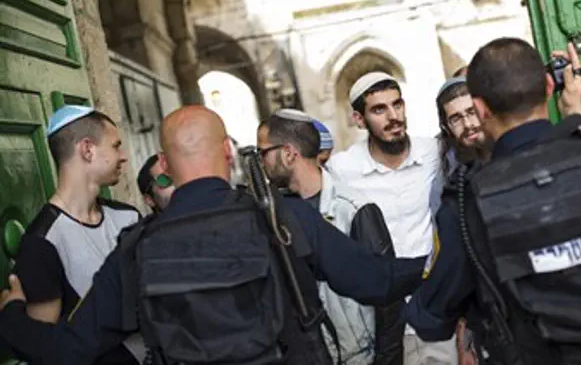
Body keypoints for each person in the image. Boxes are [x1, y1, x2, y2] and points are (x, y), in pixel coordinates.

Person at [0, 105, 426, 365]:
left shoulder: (136, 248)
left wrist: (12, 317)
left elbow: (69, 352)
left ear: (164, 164)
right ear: (227, 150)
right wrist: (436, 267)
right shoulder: (283, 218)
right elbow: (376, 281)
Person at [405, 37, 581, 365]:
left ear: (480, 109)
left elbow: (430, 319)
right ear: (550, 86)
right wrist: (577, 119)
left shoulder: (468, 200)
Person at [258, 109, 404, 364]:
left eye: (264, 153)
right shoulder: (273, 218)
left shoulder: (353, 209)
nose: (261, 162)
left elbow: (389, 301)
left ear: (288, 152)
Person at [327, 72, 455, 364]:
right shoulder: (342, 170)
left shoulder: (434, 153)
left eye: (397, 105)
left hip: (438, 311)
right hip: (382, 324)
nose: (393, 116)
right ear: (359, 119)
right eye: (379, 109)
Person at [12, 105, 144, 364]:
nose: (124, 156)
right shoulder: (42, 242)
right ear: (87, 149)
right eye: (116, 146)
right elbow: (46, 349)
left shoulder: (128, 217)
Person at [434, 76, 491, 365]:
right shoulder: (447, 182)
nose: (467, 124)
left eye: (470, 112)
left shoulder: (509, 153)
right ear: (446, 127)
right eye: (456, 118)